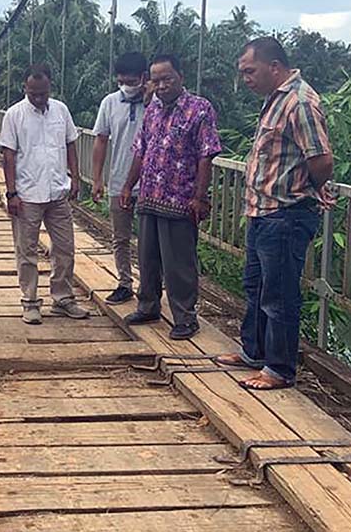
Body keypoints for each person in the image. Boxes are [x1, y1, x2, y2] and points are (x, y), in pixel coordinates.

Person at [215, 36, 333, 390]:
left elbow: (322, 160)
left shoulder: (299, 102)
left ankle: (279, 369)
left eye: (249, 71)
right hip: (262, 211)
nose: (245, 78)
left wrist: (309, 189)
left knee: (279, 294)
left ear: (274, 67)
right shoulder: (275, 101)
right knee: (255, 286)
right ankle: (254, 352)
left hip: (285, 214)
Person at [119, 54, 221, 340]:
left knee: (179, 264)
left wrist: (200, 197)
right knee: (147, 257)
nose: (161, 85)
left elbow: (206, 155)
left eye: (167, 79)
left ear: (181, 77)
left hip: (180, 199)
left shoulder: (200, 109)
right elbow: (141, 150)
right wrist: (129, 186)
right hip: (149, 195)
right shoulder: (151, 109)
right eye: (156, 80)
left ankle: (186, 318)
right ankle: (148, 305)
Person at [0, 64, 90, 324]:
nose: (38, 98)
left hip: (57, 191)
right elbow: (8, 155)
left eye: (43, 93)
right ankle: (29, 302)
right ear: (25, 88)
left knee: (65, 248)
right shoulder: (14, 115)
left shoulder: (61, 110)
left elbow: (71, 143)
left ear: (50, 87)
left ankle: (63, 299)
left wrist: (75, 176)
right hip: (27, 194)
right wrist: (11, 193)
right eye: (33, 93)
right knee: (26, 250)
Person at [92, 51, 150, 305]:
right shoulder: (110, 102)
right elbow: (101, 140)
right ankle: (124, 283)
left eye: (131, 81)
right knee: (120, 238)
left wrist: (151, 97)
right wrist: (97, 179)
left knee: (150, 241)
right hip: (119, 180)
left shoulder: (158, 102)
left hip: (152, 185)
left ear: (143, 78)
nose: (126, 86)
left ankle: (150, 286)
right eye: (121, 81)